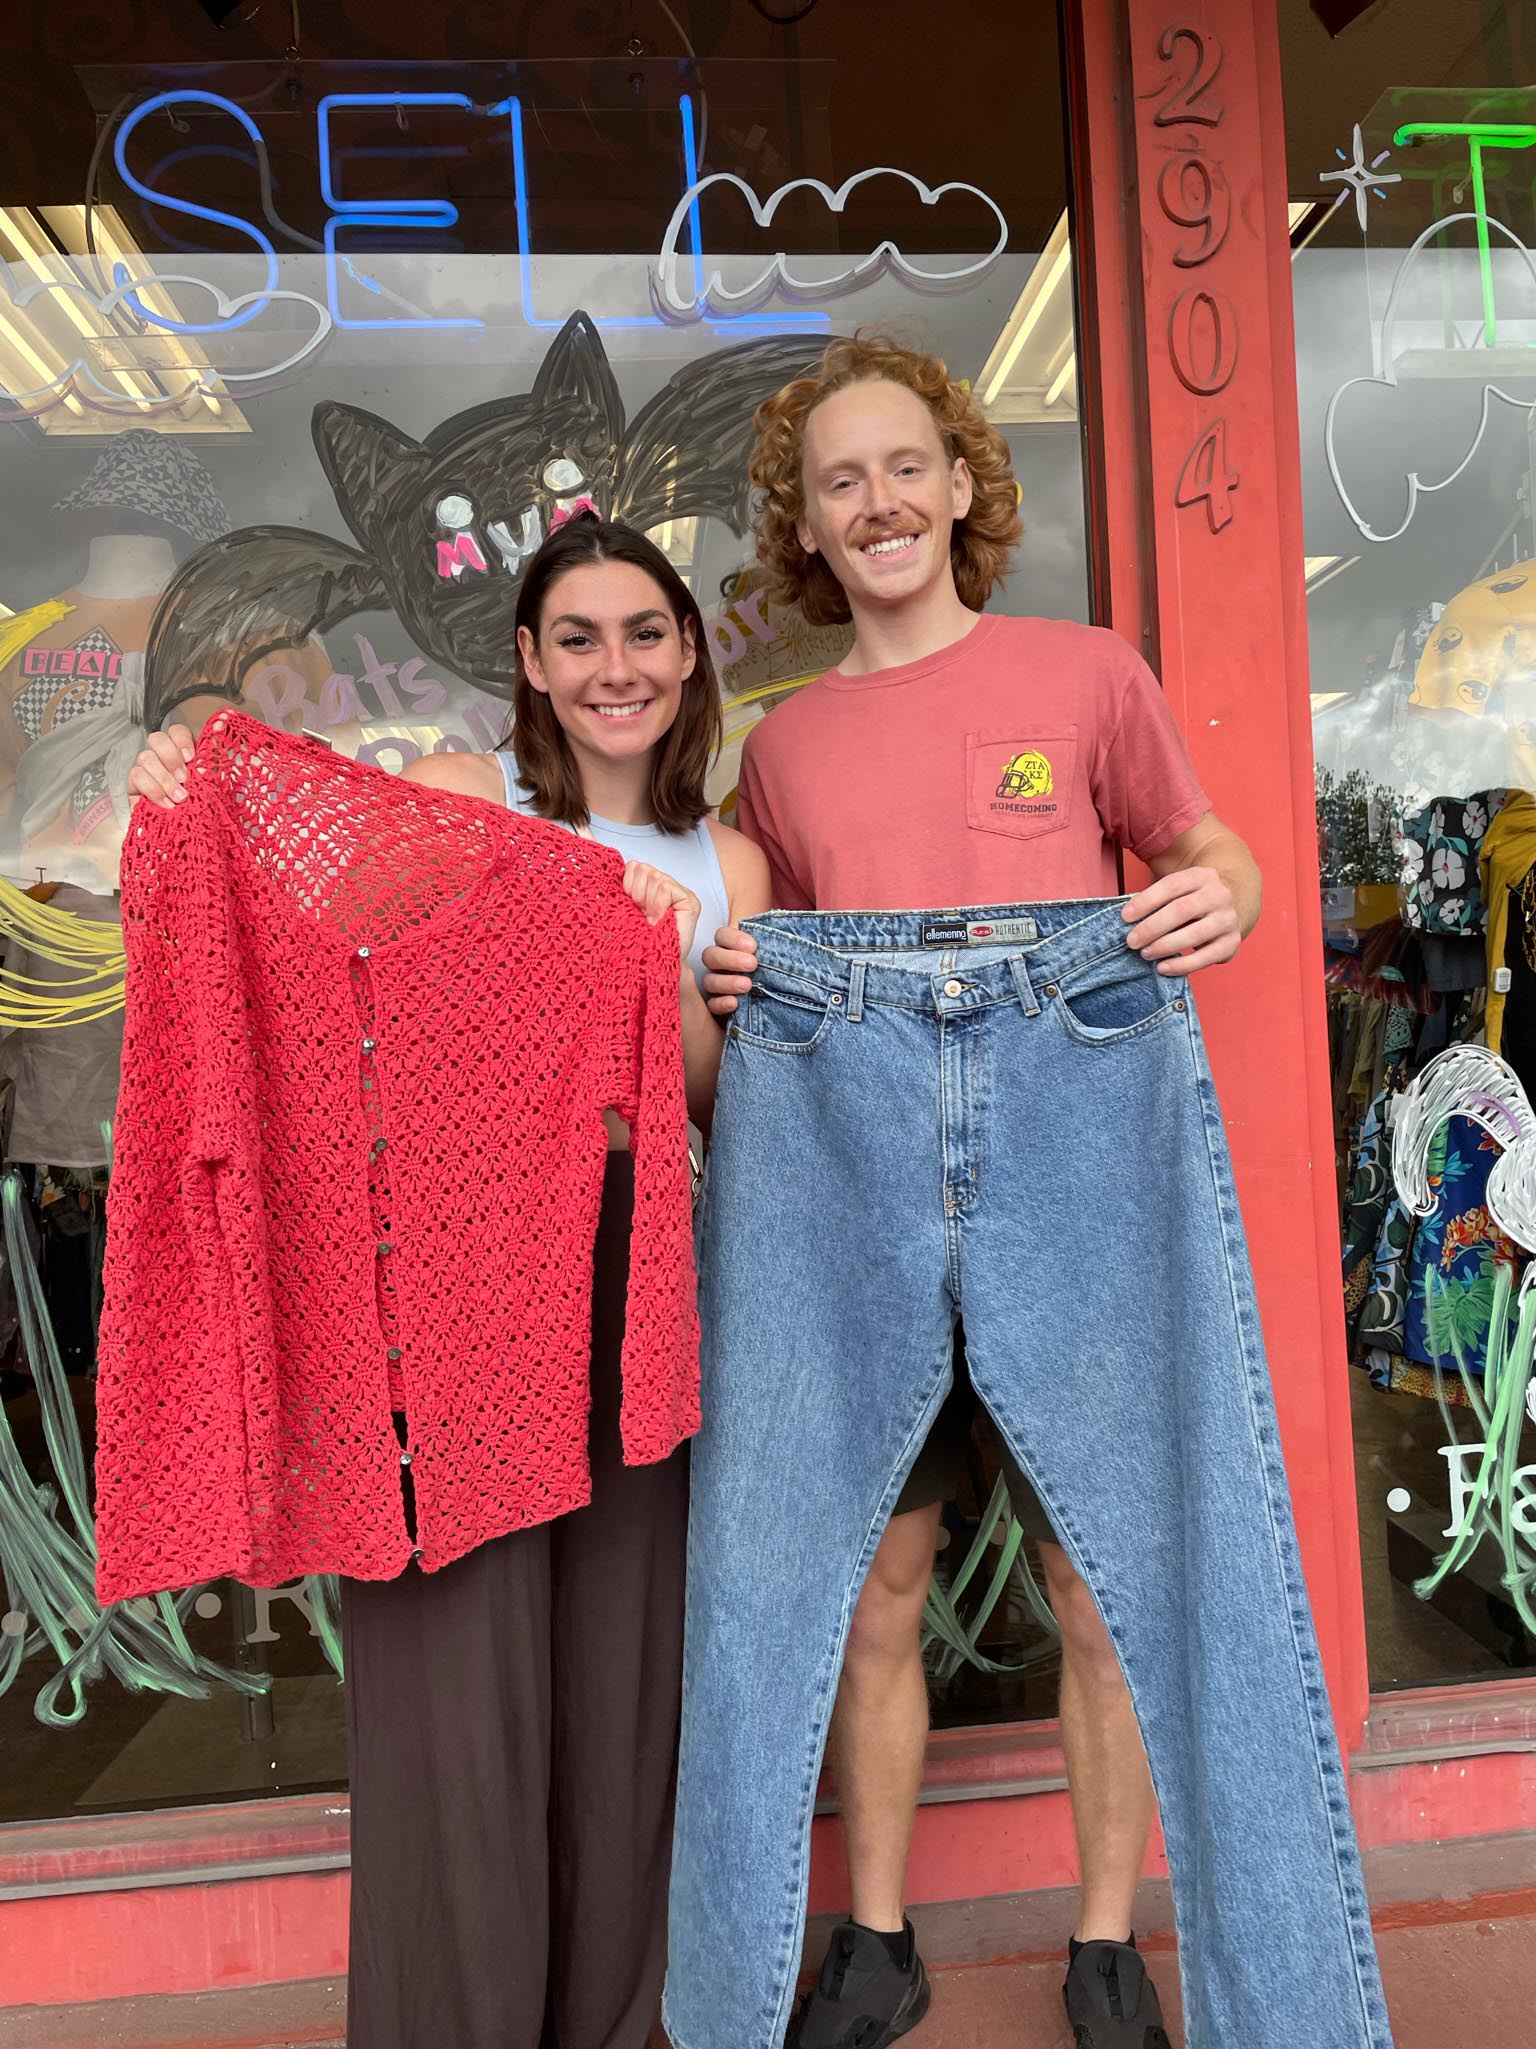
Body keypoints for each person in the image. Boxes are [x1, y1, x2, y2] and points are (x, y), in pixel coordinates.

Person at [127, 512, 769, 2049]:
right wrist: (185, 787)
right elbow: (313, 944)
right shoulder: (460, 798)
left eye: (645, 633)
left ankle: (617, 2024)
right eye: (579, 639)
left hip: (638, 1276)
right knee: (458, 1709)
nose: (616, 667)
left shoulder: (732, 855)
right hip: (457, 1295)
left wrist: (658, 965)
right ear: (531, 668)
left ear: (689, 654)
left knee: (624, 1694)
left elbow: (712, 1100)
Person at [697, 336, 1260, 2049]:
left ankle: (1105, 1942)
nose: (875, 502)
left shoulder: (1087, 678)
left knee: (1095, 1575)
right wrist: (733, 985)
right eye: (837, 481)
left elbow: (1206, 850)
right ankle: (877, 1934)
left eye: (901, 467)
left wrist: (1218, 897)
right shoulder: (782, 750)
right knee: (874, 1578)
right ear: (809, 526)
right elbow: (727, 944)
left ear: (959, 485)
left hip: (1068, 1184)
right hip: (860, 1198)